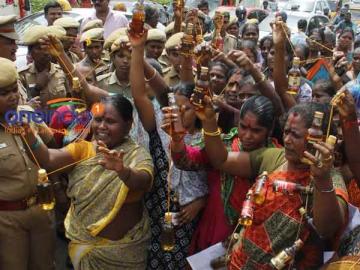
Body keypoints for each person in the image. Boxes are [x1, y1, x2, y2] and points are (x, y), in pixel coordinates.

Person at [197, 98, 348, 269]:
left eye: (296, 135)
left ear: (319, 139)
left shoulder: (330, 178)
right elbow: (222, 160)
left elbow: (327, 229)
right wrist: (209, 122)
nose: (288, 140)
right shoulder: (275, 157)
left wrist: (322, 179)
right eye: (286, 132)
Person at [23, 93, 154, 270]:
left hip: (125, 254)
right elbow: (47, 159)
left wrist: (123, 171)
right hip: (83, 250)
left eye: (110, 121)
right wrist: (29, 135)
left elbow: (143, 182)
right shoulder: (84, 149)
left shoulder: (137, 155)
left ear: (128, 125)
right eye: (97, 120)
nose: (102, 126)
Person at [0, 57, 55, 270]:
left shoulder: (28, 115)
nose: (13, 97)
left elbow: (51, 153)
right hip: (7, 220)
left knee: (45, 265)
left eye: (14, 90)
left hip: (41, 209)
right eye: (4, 94)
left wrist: (58, 188)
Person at [18, 25, 71, 108]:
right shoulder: (22, 75)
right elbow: (21, 106)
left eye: (48, 47)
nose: (45, 52)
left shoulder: (62, 71)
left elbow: (71, 99)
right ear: (30, 52)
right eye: (39, 48)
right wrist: (37, 88)